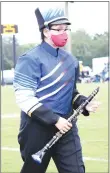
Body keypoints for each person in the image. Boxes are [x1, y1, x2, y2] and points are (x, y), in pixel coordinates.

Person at [13, 7, 99, 173]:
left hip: (67, 127)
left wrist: (84, 103)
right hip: (36, 129)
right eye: (59, 29)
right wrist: (54, 120)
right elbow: (23, 98)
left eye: (66, 29)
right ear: (45, 31)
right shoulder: (29, 59)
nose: (64, 33)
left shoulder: (71, 60)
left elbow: (71, 94)